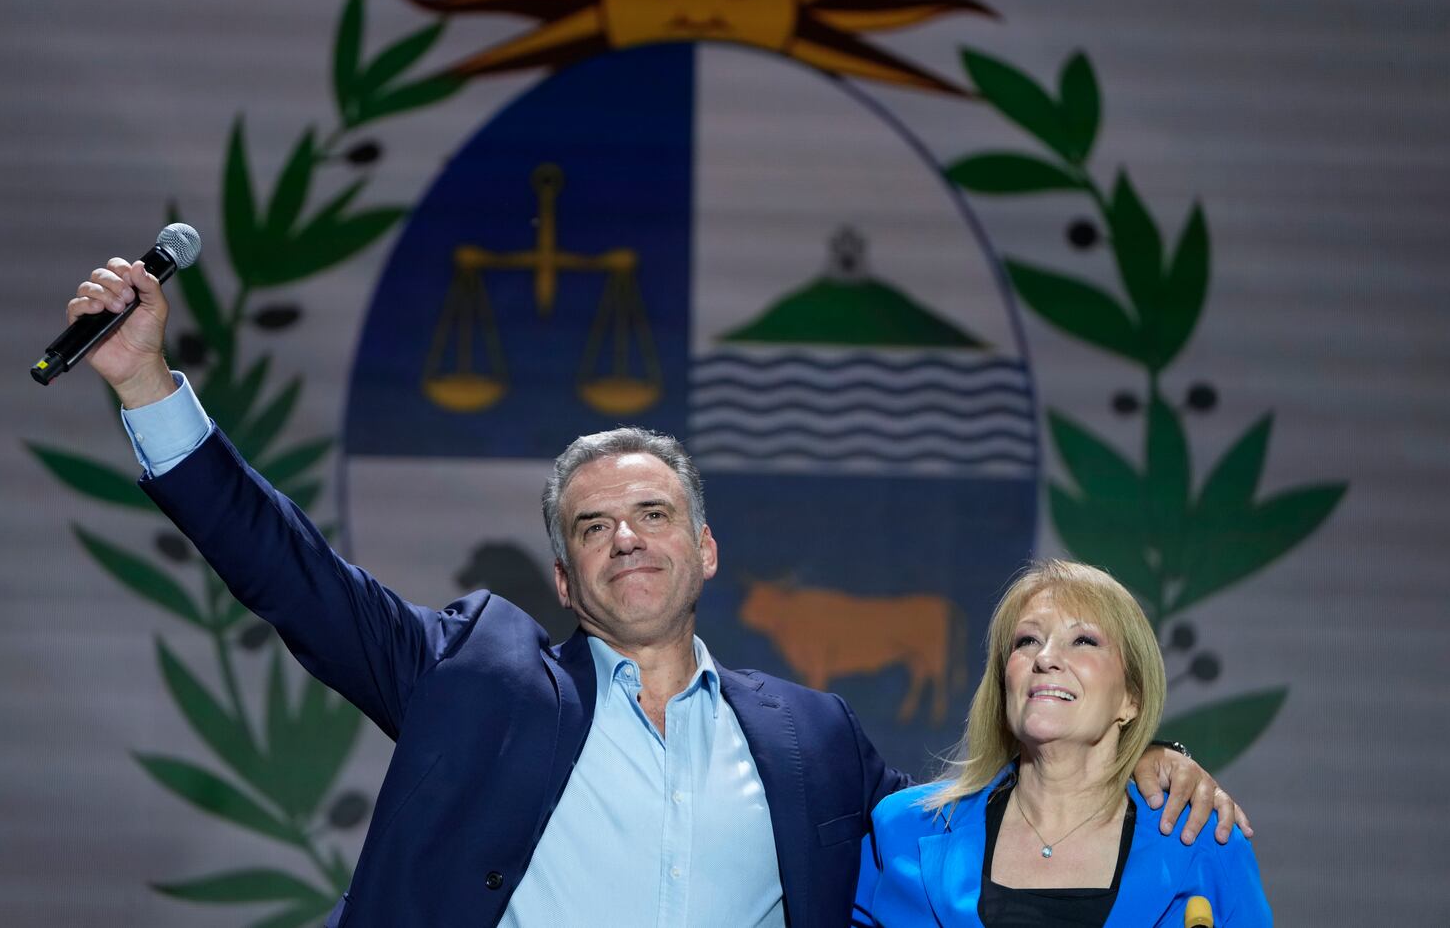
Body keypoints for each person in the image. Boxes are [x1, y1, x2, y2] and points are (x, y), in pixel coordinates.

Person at [66, 259, 1250, 928]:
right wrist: (149, 380)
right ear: (569, 579)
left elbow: (969, 829)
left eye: (651, 514)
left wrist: (1138, 756)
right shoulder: (469, 672)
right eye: (591, 526)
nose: (624, 537)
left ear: (707, 549)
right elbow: (293, 574)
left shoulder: (813, 737)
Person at [852, 560, 1271, 927]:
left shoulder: (1204, 846)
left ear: (1131, 699)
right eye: (1026, 641)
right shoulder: (901, 831)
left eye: (1084, 640)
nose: (1045, 657)